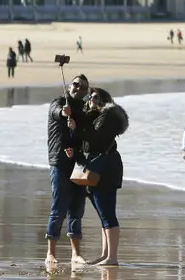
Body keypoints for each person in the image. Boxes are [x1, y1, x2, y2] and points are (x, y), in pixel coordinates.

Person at [72, 88, 128, 266]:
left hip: (106, 169)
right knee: (103, 214)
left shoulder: (108, 117)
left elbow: (93, 139)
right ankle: (106, 255)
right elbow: (87, 143)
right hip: (98, 167)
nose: (91, 99)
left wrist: (76, 128)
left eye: (95, 97)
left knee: (107, 213)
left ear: (104, 100)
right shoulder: (97, 116)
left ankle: (112, 257)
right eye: (90, 97)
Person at [45, 74, 90, 265]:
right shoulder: (58, 102)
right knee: (59, 207)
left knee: (77, 208)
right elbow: (57, 112)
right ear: (70, 86)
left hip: (78, 163)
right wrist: (65, 113)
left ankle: (75, 254)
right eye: (76, 85)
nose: (78, 89)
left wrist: (76, 126)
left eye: (83, 87)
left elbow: (86, 136)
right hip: (59, 162)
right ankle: (50, 253)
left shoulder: (84, 109)